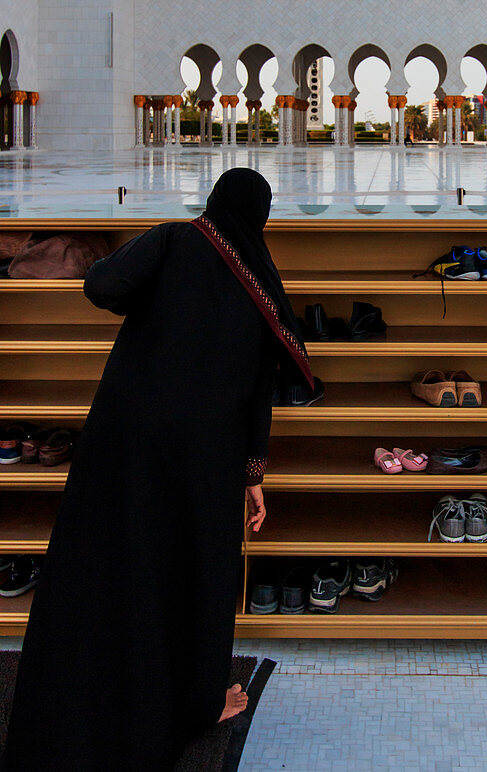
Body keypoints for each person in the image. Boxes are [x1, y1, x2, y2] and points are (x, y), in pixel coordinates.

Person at [4, 169, 312, 771]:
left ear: (213, 202)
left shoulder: (175, 239)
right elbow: (259, 391)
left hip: (126, 440)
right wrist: (253, 474)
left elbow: (102, 286)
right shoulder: (263, 286)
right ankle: (197, 703)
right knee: (193, 575)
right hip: (207, 458)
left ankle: (73, 702)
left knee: (110, 563)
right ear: (261, 217)